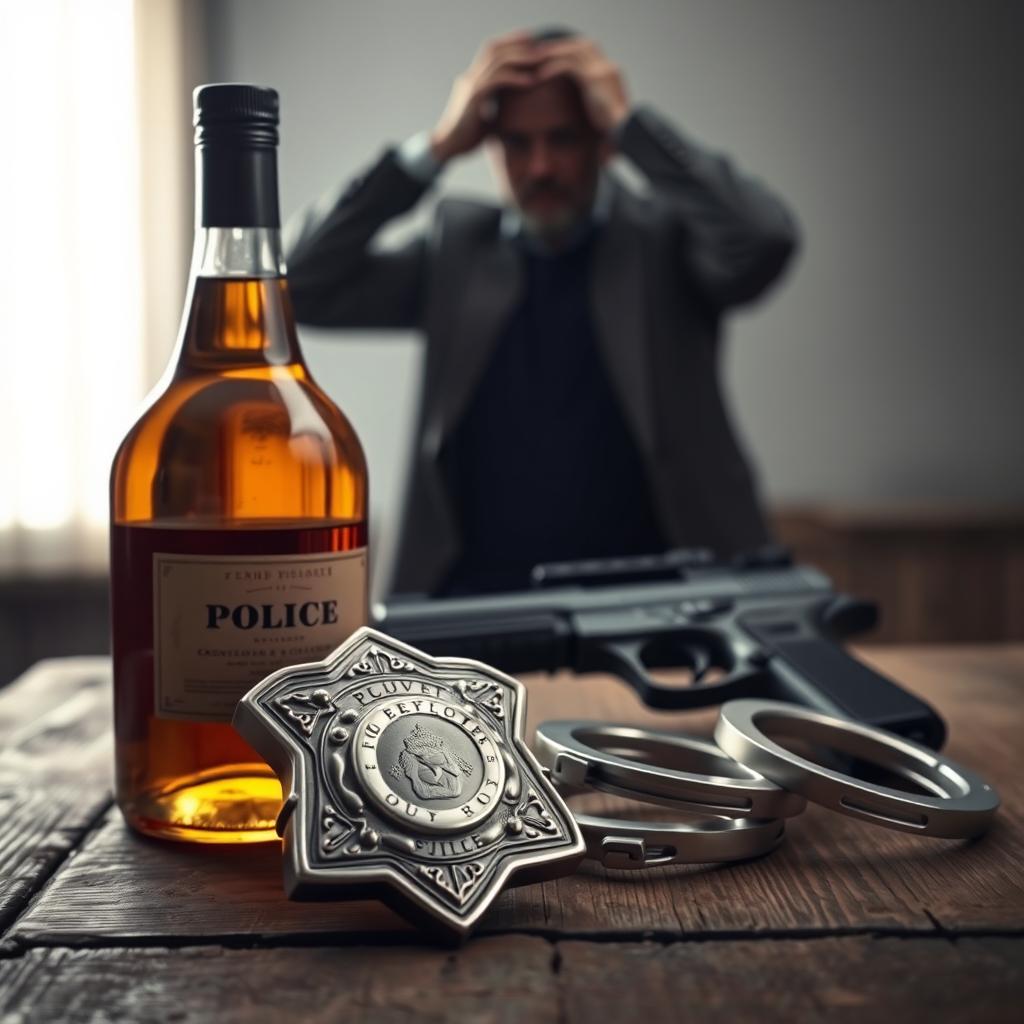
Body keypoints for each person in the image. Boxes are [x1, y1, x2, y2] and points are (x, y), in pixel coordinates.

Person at [285, 27, 800, 596]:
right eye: (516, 144)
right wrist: (433, 149)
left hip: (662, 600)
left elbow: (765, 240)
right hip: (476, 605)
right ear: (487, 145)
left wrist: (635, 128)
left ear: (603, 143)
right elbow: (296, 281)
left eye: (565, 139)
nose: (541, 167)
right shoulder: (457, 251)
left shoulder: (664, 244)